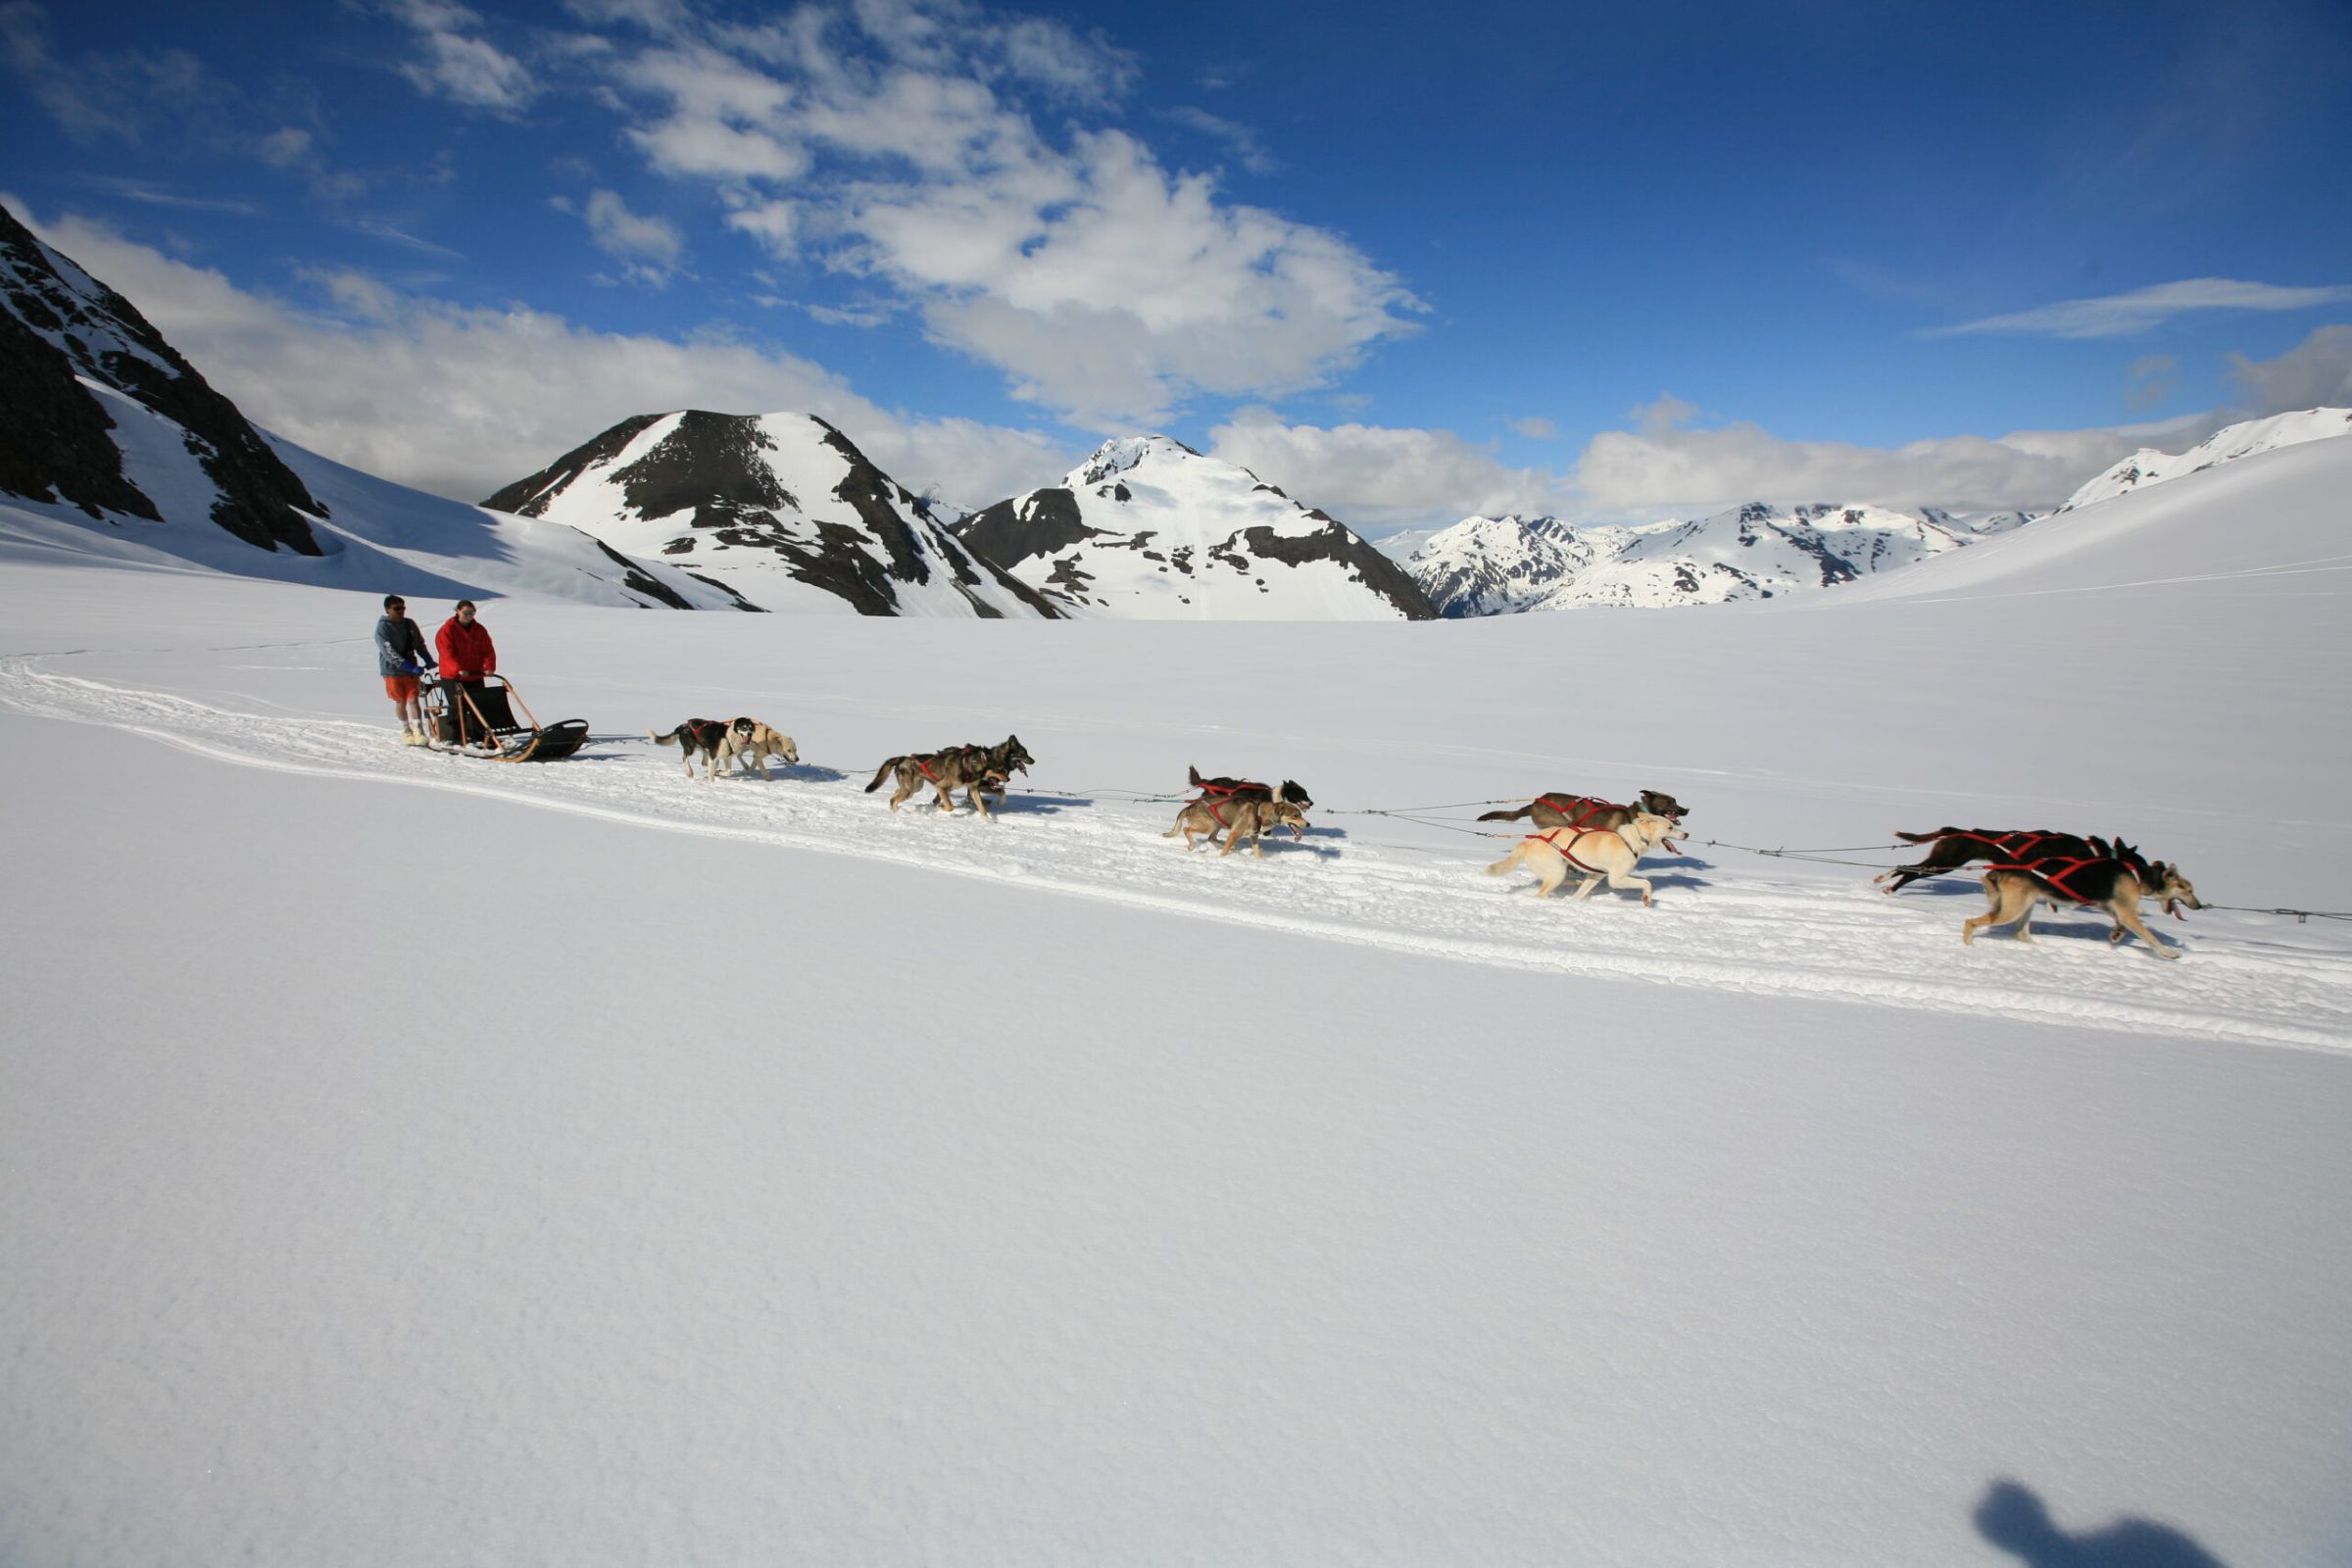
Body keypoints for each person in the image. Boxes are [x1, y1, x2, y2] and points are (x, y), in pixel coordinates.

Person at [434, 599, 500, 748]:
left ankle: (481, 736)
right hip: (453, 676)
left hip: (474, 674)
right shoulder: (447, 630)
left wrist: (489, 667)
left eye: (472, 613)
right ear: (457, 612)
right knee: (457, 706)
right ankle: (456, 737)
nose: (469, 616)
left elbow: (488, 650)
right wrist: (457, 669)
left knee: (478, 705)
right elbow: (446, 653)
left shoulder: (479, 630)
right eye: (466, 613)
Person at [374, 594, 436, 745]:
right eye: (397, 608)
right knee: (400, 701)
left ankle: (419, 730)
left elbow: (419, 644)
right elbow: (388, 652)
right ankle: (406, 731)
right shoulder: (383, 627)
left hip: (410, 669)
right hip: (393, 670)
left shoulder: (409, 624)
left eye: (403, 608)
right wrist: (409, 667)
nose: (401, 611)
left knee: (413, 699)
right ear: (388, 609)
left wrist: (427, 659)